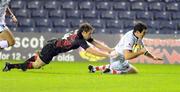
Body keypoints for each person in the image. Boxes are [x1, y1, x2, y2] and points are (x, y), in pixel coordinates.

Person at [2, 22, 113, 72]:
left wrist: (109, 50)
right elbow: (91, 50)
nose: (90, 35)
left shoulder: (79, 33)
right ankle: (10, 66)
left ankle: (34, 57)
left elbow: (94, 42)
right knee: (36, 66)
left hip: (52, 45)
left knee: (37, 61)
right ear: (84, 32)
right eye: (89, 33)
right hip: (51, 49)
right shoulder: (79, 40)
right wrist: (108, 55)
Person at [88, 22, 163, 74]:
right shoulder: (130, 38)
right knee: (133, 71)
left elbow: (143, 49)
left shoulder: (137, 36)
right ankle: (112, 71)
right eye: (144, 32)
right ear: (137, 32)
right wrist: (140, 52)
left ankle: (95, 68)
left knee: (130, 69)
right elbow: (127, 56)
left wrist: (153, 57)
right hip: (118, 56)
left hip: (116, 56)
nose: (145, 34)